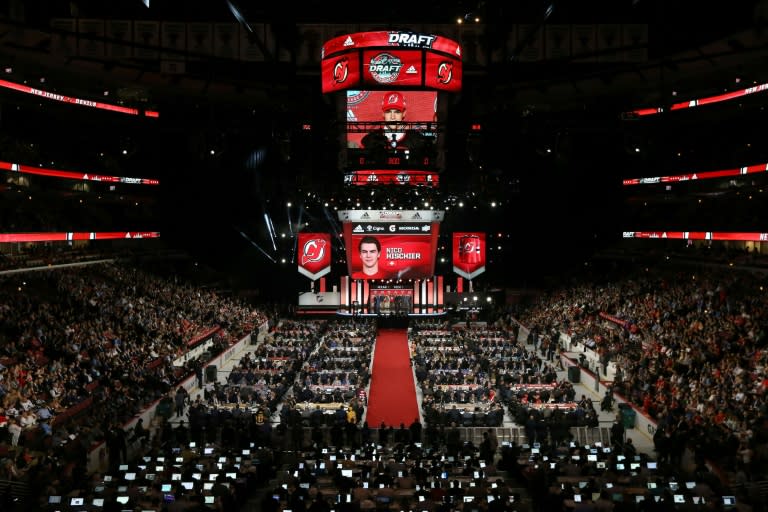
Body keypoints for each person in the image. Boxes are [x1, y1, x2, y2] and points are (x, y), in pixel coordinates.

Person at [358, 92, 431, 163]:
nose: (392, 117)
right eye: (388, 112)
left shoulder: (416, 139)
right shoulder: (370, 139)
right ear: (383, 113)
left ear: (404, 113)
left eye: (397, 112)